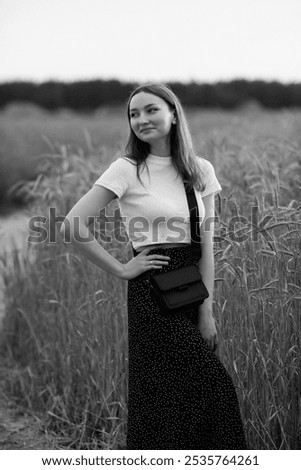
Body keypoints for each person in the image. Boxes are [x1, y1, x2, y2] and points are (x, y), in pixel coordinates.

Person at [62, 83, 246, 450]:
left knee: (192, 397)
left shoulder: (200, 170)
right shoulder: (127, 169)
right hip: (151, 293)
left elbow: (206, 244)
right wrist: (123, 269)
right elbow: (72, 225)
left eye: (150, 110)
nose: (141, 119)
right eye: (134, 114)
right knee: (196, 389)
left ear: (173, 114)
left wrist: (207, 310)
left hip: (192, 288)